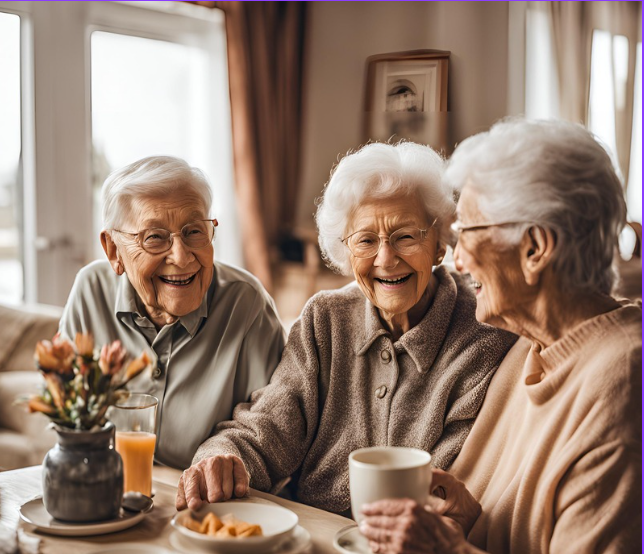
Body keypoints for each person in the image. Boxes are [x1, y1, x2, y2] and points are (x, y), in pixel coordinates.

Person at [359, 119, 641, 554]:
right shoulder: (531, 346)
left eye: (467, 233)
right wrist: (470, 514)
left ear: (535, 248)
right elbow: (525, 535)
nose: (456, 258)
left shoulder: (623, 382)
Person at [177, 142, 516, 513]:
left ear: (439, 244)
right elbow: (270, 425)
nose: (385, 259)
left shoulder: (481, 330)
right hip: (310, 534)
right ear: (347, 252)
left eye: (405, 235)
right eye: (366, 240)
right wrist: (223, 457)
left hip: (413, 547)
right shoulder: (326, 319)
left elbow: (449, 484)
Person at [59, 156, 285, 469]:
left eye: (194, 231)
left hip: (207, 505)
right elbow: (65, 412)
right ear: (113, 249)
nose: (181, 257)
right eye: (154, 237)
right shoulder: (91, 290)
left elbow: (272, 432)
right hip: (104, 494)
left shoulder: (245, 304)